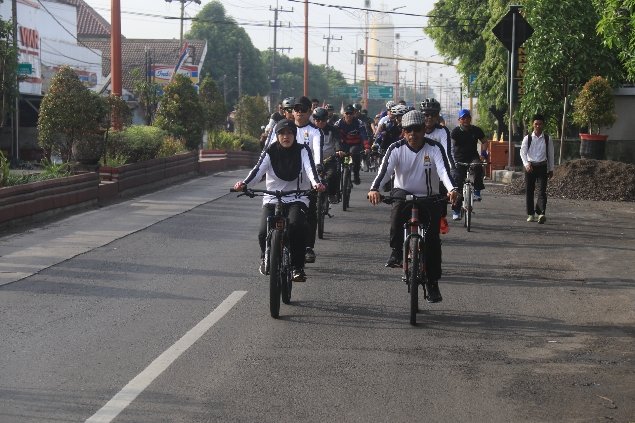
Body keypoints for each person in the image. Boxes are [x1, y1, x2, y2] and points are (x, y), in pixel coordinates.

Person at [368, 110, 458, 303]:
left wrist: (451, 189)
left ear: (424, 130)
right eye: (408, 130)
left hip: (429, 197)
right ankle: (396, 253)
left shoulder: (434, 148)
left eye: (417, 129)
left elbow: (444, 171)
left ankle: (433, 283)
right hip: (403, 193)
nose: (413, 134)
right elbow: (384, 172)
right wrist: (374, 188)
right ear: (403, 131)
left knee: (433, 241)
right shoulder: (395, 148)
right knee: (396, 216)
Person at [233, 119, 325, 282]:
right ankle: (265, 258)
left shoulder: (303, 150)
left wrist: (317, 184)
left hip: (297, 197)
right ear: (277, 136)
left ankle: (297, 267)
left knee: (297, 226)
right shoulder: (270, 151)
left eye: (289, 133)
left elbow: (311, 169)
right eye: (282, 133)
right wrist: (244, 184)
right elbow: (258, 171)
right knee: (262, 232)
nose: (286, 136)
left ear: (294, 135)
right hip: (272, 197)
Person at [292, 96, 324, 263]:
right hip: (286, 178)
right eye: (297, 109)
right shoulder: (285, 130)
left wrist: (318, 168)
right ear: (292, 111)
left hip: (308, 178)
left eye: (303, 109)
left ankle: (308, 247)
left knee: (310, 213)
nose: (300, 112)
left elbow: (317, 152)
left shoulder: (315, 131)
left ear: (309, 111)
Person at [421, 98, 454, 233]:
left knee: (440, 195)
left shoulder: (442, 131)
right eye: (426, 114)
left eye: (433, 115)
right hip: (417, 170)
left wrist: (452, 170)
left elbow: (447, 152)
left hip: (437, 169)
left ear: (437, 117)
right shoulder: (415, 129)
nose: (429, 118)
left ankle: (440, 217)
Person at [450, 108, 486, 221]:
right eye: (463, 118)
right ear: (459, 120)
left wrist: (483, 154)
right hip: (459, 159)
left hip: (472, 157)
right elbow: (451, 146)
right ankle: (456, 210)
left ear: (470, 119)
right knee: (457, 185)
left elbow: (484, 141)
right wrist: (451, 160)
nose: (465, 120)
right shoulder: (455, 132)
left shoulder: (476, 130)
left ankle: (477, 191)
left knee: (477, 166)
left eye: (467, 118)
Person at [520, 114, 554, 223]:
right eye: (536, 124)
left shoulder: (548, 139)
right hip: (530, 167)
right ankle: (530, 214)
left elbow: (551, 154)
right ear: (532, 125)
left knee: (542, 191)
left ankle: (541, 213)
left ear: (543, 125)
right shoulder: (528, 138)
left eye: (540, 124)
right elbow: (522, 153)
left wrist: (551, 169)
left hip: (542, 167)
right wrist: (526, 164)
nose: (538, 126)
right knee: (529, 191)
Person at [334, 104, 371, 185]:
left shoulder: (359, 123)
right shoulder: (338, 123)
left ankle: (356, 174)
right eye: (347, 113)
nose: (349, 115)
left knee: (354, 154)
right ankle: (344, 174)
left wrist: (367, 147)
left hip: (356, 145)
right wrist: (338, 149)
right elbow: (335, 137)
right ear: (343, 114)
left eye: (351, 113)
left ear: (354, 114)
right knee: (340, 163)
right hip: (343, 146)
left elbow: (364, 135)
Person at [312, 107, 342, 204]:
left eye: (323, 120)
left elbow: (337, 141)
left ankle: (332, 194)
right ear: (314, 119)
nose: (320, 122)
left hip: (329, 159)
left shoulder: (333, 129)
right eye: (317, 120)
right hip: (312, 160)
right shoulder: (309, 129)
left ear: (327, 119)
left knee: (333, 174)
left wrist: (338, 150)